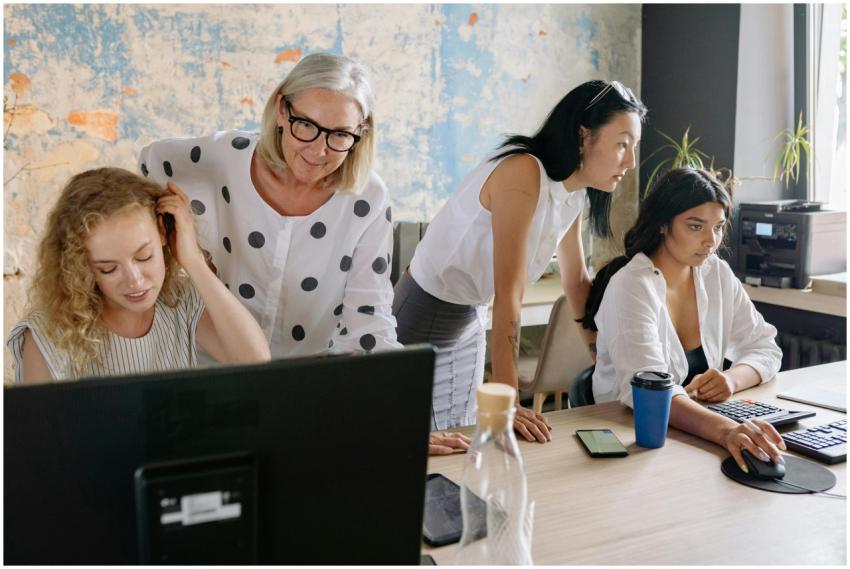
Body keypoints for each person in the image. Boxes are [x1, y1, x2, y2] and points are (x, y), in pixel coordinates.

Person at [138, 52, 469, 456]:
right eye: (306, 126)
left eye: (341, 135)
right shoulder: (222, 158)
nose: (320, 150)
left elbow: (369, 321)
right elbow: (150, 162)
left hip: (309, 391)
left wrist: (402, 416)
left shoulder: (367, 197)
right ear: (281, 109)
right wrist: (182, 250)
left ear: (361, 133)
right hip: (214, 376)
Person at [393, 80, 647, 441]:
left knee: (464, 440)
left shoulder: (573, 195)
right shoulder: (524, 171)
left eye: (633, 147)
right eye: (622, 144)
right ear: (583, 135)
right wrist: (510, 400)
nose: (631, 161)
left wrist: (605, 366)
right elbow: (509, 294)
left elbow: (575, 283)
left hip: (469, 317)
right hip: (423, 315)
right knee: (410, 444)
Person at [582, 168, 785, 472]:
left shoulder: (716, 273)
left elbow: (766, 347)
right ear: (663, 224)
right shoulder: (632, 285)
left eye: (718, 227)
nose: (710, 241)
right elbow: (648, 390)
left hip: (694, 435)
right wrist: (727, 430)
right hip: (631, 441)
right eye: (695, 226)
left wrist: (731, 378)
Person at [7, 167, 271, 383]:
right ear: (81, 266)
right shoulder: (46, 334)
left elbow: (256, 362)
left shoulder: (180, 301)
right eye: (108, 268)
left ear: (163, 233)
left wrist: (193, 261)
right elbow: (39, 442)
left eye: (144, 257)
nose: (135, 281)